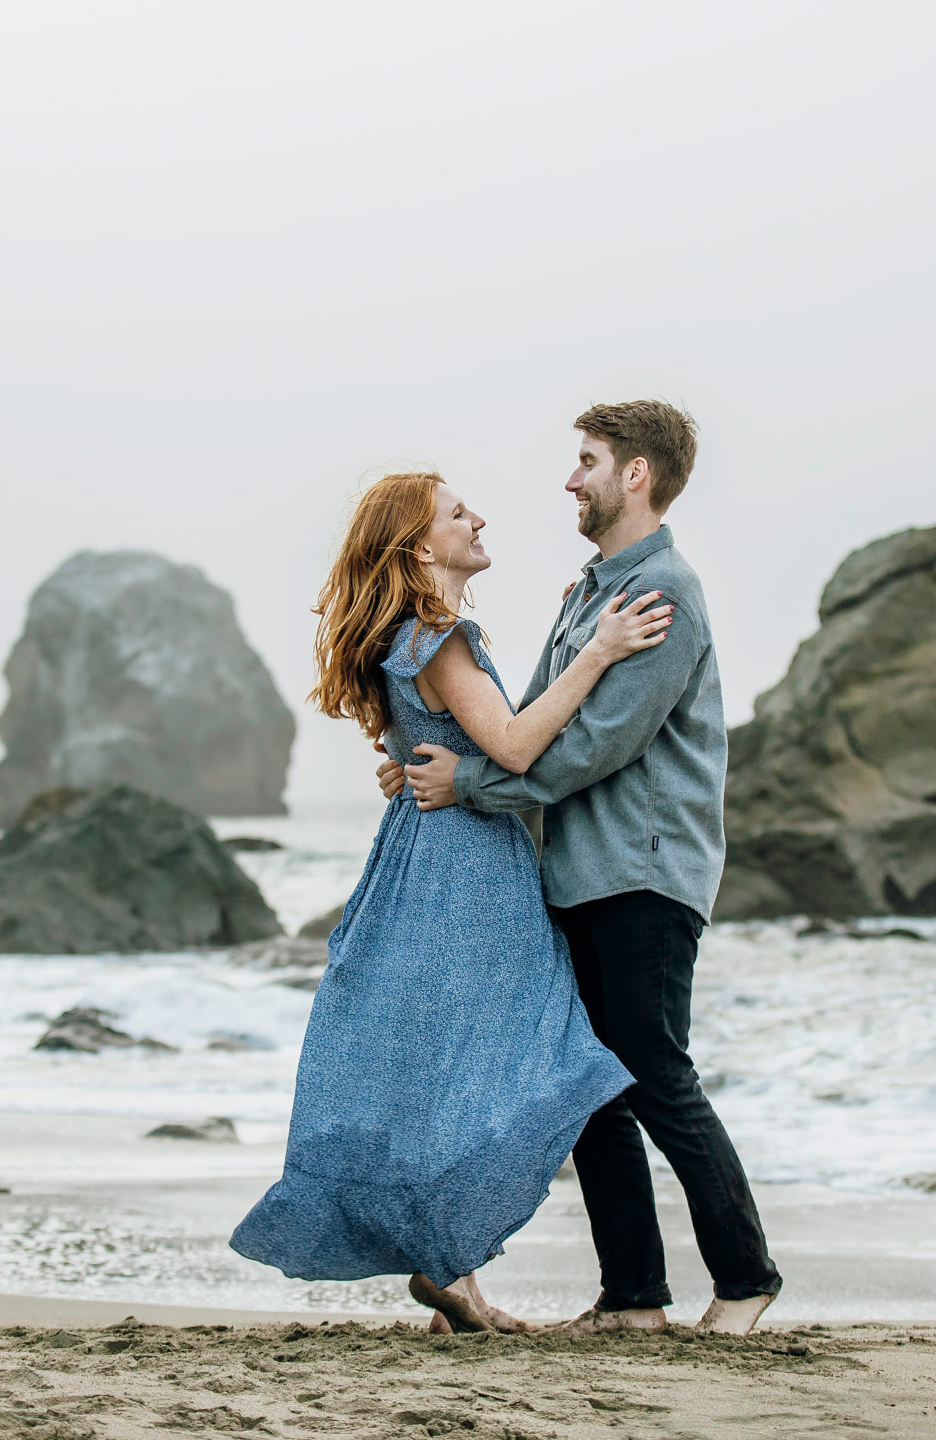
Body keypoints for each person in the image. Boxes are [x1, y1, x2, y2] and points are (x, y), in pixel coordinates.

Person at [229, 469, 672, 1333]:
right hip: (469, 866)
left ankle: (455, 1276)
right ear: (422, 546)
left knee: (450, 1058)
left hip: (420, 858)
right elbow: (510, 746)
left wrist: (417, 763)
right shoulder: (441, 638)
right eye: (458, 512)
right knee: (541, 1054)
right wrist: (601, 650)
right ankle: (487, 1271)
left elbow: (430, 748)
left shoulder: (405, 638)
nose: (479, 519)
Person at [382, 401, 783, 1335]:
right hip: (578, 873)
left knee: (650, 1073)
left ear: (635, 475)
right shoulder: (590, 591)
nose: (572, 479)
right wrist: (435, 760)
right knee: (588, 1086)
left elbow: (598, 742)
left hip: (644, 872)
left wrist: (471, 784)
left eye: (588, 461)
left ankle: (748, 1278)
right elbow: (528, 719)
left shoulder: (662, 592)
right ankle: (635, 1298)